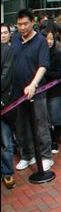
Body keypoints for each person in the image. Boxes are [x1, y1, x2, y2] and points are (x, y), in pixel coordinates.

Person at [11, 8, 54, 172]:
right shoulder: (15, 39)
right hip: (18, 92)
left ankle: (46, 156)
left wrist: (34, 84)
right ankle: (27, 155)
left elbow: (43, 65)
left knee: (40, 124)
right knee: (21, 126)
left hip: (37, 91)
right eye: (19, 24)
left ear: (32, 23)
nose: (22, 27)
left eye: (25, 24)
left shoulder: (40, 41)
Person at [40, 28, 61, 155]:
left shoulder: (56, 53)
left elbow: (60, 73)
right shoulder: (39, 53)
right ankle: (50, 139)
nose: (49, 41)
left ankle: (55, 140)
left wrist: (45, 73)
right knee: (45, 118)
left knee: (56, 117)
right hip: (42, 91)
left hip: (55, 90)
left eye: (51, 39)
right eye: (47, 39)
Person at [1, 34, 15, 189]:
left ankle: (7, 172)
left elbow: (5, 78)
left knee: (5, 141)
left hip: (3, 102)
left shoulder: (5, 51)